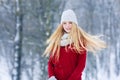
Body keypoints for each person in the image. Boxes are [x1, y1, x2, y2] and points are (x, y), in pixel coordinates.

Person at [43, 9, 106, 80]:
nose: (67, 26)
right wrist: (52, 77)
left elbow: (81, 66)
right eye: (64, 23)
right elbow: (50, 63)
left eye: (70, 22)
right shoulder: (57, 42)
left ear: (75, 24)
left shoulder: (80, 42)